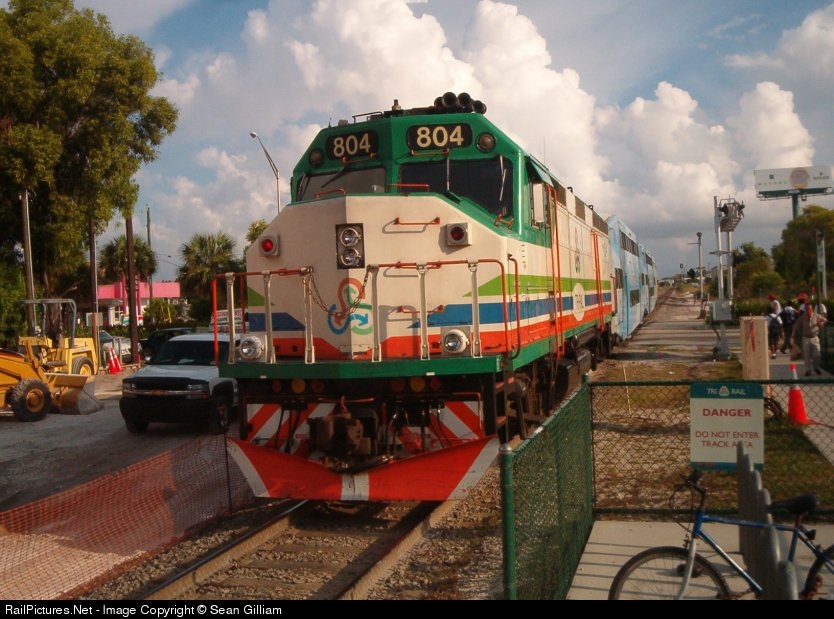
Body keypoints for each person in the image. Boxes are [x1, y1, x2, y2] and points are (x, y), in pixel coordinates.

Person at [794, 297, 828, 376]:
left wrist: (821, 323)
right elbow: (796, 326)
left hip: (815, 338)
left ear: (811, 309)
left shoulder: (816, 316)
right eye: (806, 309)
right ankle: (808, 370)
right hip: (806, 338)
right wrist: (794, 335)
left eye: (809, 309)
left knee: (817, 355)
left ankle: (816, 368)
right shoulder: (802, 318)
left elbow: (825, 319)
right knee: (807, 356)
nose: (808, 310)